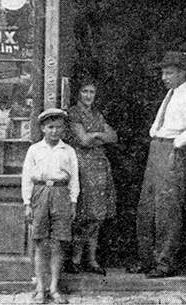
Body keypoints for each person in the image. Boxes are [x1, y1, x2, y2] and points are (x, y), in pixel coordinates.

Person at [135, 51, 186, 278]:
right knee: (147, 207)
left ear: (182, 73)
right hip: (157, 150)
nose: (164, 77)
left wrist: (177, 142)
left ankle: (164, 263)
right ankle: (147, 260)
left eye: (169, 73)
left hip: (171, 152)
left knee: (167, 210)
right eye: (163, 73)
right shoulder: (171, 94)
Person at [22, 108, 79, 304]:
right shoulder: (34, 150)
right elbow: (27, 178)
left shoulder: (68, 151)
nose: (54, 131)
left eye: (59, 127)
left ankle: (54, 287)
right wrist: (27, 203)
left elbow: (74, 179)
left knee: (58, 243)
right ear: (43, 129)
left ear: (64, 129)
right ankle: (40, 288)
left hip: (61, 194)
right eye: (50, 127)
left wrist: (73, 201)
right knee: (40, 242)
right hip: (40, 193)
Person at [67, 78, 117, 275]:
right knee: (85, 215)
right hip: (84, 166)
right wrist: (99, 135)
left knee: (98, 217)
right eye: (85, 91)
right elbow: (84, 140)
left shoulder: (97, 113)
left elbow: (114, 137)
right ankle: (76, 259)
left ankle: (92, 260)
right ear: (78, 93)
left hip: (100, 166)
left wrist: (94, 134)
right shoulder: (73, 113)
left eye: (92, 92)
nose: (88, 96)